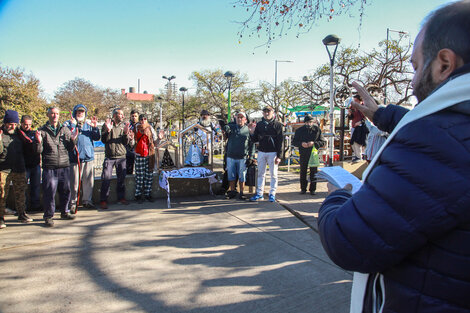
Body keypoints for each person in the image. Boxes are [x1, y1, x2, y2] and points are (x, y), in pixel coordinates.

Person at [318, 1, 470, 312]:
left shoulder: (437, 141)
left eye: (415, 67)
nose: (413, 83)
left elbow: (350, 241)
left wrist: (337, 198)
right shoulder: (450, 134)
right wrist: (383, 114)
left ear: (444, 64)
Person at [36, 107, 79, 227]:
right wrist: (38, 141)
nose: (55, 116)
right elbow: (38, 151)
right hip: (50, 167)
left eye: (57, 114)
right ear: (48, 115)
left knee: (66, 191)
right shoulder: (42, 131)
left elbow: (70, 148)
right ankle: (49, 216)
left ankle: (64, 212)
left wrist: (73, 139)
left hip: (64, 165)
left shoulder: (64, 129)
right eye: (52, 113)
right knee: (49, 192)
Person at [0, 110, 33, 229]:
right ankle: (1, 217)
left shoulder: (20, 134)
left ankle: (22, 213)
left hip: (19, 167)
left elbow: (28, 148)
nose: (12, 126)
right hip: (4, 168)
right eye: (10, 124)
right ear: (5, 123)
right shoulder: (1, 133)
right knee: (2, 194)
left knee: (21, 193)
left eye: (15, 124)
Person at [64, 104, 100, 213]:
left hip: (88, 157)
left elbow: (96, 137)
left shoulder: (88, 124)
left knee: (88, 181)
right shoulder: (68, 123)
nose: (80, 114)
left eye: (82, 112)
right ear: (75, 113)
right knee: (74, 182)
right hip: (75, 158)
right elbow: (66, 137)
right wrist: (73, 126)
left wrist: (94, 128)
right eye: (78, 112)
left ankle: (87, 201)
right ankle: (73, 203)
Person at [248, 105, 283, 202]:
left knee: (273, 174)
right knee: (260, 174)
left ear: (273, 113)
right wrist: (251, 132)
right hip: (261, 151)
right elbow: (255, 139)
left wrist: (279, 156)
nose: (267, 113)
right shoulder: (259, 124)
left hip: (273, 152)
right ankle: (259, 193)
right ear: (263, 113)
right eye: (265, 111)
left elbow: (280, 141)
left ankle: (272, 193)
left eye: (269, 111)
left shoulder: (278, 125)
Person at [99, 108, 132, 209]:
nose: (122, 116)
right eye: (120, 114)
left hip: (121, 157)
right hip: (110, 157)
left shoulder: (124, 126)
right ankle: (103, 200)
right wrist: (108, 131)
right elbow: (104, 140)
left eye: (122, 114)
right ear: (114, 115)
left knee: (121, 179)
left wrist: (126, 134)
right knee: (106, 178)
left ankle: (121, 198)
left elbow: (125, 142)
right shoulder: (107, 124)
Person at [223, 111, 254, 200]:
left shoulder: (248, 130)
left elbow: (252, 145)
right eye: (238, 117)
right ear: (235, 118)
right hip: (230, 156)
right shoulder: (231, 127)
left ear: (245, 119)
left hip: (243, 157)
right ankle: (232, 192)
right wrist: (224, 127)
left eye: (241, 117)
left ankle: (241, 192)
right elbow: (226, 130)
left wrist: (251, 157)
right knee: (231, 175)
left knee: (242, 176)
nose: (239, 119)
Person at [292, 114, 326, 195]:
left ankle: (313, 189)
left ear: (313, 122)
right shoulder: (299, 130)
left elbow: (323, 142)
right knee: (303, 171)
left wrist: (314, 143)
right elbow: (294, 141)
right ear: (304, 122)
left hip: (313, 153)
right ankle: (303, 188)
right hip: (303, 152)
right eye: (307, 122)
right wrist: (301, 144)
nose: (309, 124)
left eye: (310, 122)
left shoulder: (317, 130)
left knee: (314, 172)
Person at [132, 114, 161, 203]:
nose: (143, 120)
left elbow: (155, 142)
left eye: (145, 119)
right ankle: (138, 195)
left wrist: (159, 138)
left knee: (149, 176)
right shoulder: (136, 128)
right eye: (141, 119)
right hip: (139, 154)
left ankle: (147, 194)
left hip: (149, 155)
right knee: (139, 177)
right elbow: (132, 142)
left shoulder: (151, 129)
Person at [19, 115, 42, 212]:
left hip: (35, 164)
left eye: (29, 124)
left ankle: (35, 205)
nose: (27, 126)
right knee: (22, 188)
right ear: (21, 124)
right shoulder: (18, 134)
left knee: (36, 186)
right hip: (23, 165)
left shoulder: (34, 133)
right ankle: (24, 207)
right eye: (25, 124)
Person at [348, 95, 367, 161]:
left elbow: (366, 117)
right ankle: (357, 155)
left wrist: (360, 122)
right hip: (354, 126)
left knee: (359, 141)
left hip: (361, 127)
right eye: (354, 101)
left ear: (360, 101)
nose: (355, 102)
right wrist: (350, 113)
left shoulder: (363, 107)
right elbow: (351, 118)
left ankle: (359, 156)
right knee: (353, 142)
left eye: (356, 101)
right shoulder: (353, 107)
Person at [126, 110, 139, 175]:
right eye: (132, 116)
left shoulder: (140, 126)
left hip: (139, 151)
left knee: (139, 171)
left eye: (135, 116)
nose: (134, 117)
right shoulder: (128, 126)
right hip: (129, 151)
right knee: (128, 171)